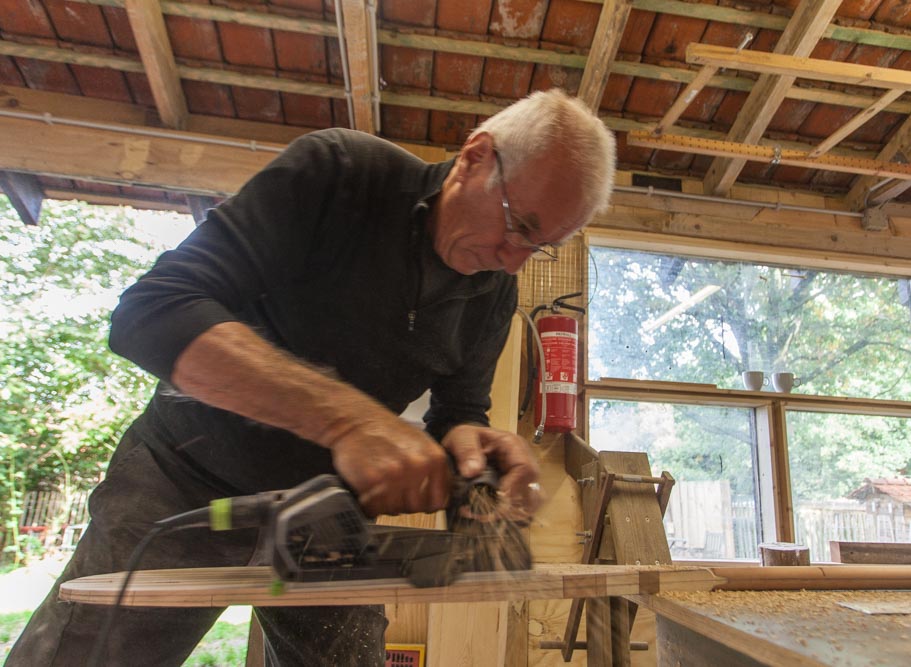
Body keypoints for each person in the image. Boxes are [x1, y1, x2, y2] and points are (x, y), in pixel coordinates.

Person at [7, 88, 616, 666]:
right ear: (475, 158)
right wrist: (348, 420)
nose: (514, 258)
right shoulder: (340, 174)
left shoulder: (493, 293)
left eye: (541, 247)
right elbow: (152, 313)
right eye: (520, 224)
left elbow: (457, 408)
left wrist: (474, 445)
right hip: (183, 477)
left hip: (328, 516)